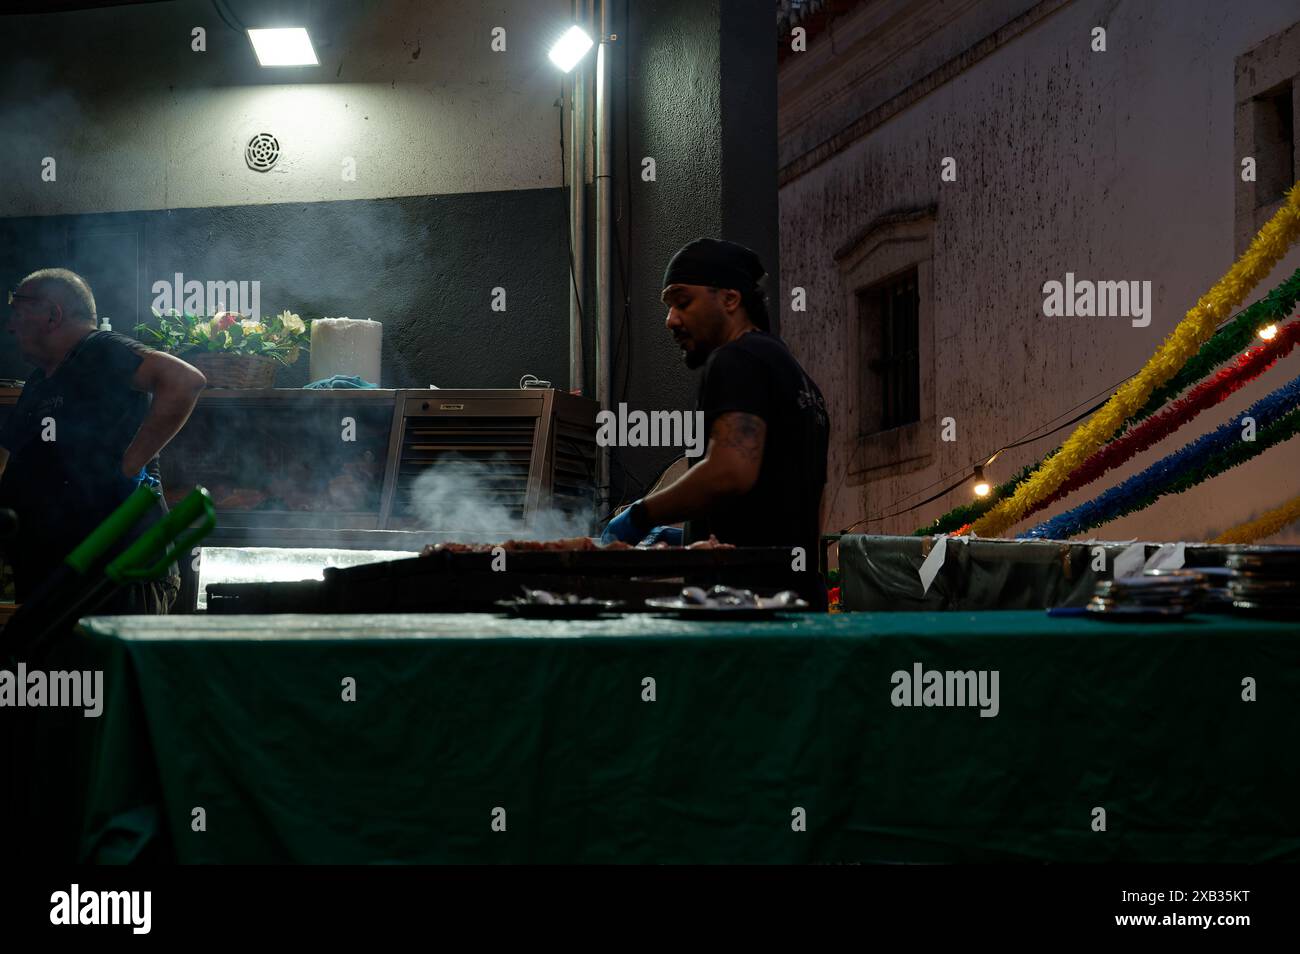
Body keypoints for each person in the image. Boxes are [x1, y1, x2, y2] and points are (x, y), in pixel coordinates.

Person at [601, 238, 829, 562]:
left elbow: (730, 471)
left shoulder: (736, 359)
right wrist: (690, 537)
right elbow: (805, 506)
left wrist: (640, 515)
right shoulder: (798, 378)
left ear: (730, 299)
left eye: (682, 302)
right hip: (796, 595)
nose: (670, 320)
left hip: (745, 603)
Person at [0, 268, 206, 613]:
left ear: (53, 314)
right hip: (54, 576)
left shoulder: (99, 349)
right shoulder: (39, 383)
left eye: (18, 310)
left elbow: (183, 380)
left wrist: (131, 465)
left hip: (114, 572)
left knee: (106, 668)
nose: (10, 325)